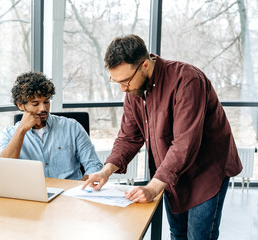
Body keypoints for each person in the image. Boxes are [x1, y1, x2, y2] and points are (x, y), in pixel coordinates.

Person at [83, 34, 242, 239]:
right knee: (177, 233)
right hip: (170, 172)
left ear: (145, 66)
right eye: (116, 81)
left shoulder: (187, 80)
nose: (123, 88)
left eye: (125, 81)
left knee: (199, 236)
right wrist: (105, 171)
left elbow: (185, 143)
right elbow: (128, 137)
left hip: (206, 171)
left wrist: (153, 187)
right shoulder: (134, 90)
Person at [0, 71, 103, 181]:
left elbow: (94, 166)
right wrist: (21, 130)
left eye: (46, 102)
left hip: (70, 193)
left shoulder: (72, 127)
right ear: (20, 105)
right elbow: (3, 169)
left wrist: (77, 189)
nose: (43, 108)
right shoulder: (8, 134)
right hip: (30, 195)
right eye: (35, 104)